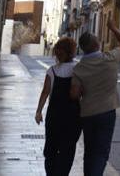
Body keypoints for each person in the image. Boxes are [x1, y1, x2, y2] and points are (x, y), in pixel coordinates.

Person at [70, 20, 120, 176]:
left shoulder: (79, 68)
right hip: (107, 111)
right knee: (101, 151)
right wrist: (113, 28)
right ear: (97, 45)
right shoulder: (110, 58)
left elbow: (74, 94)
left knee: (89, 149)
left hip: (88, 113)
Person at [35, 37, 81, 176]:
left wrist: (38, 112)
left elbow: (45, 92)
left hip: (54, 116)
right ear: (72, 52)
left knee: (51, 148)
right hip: (73, 116)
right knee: (68, 148)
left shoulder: (52, 71)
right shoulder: (77, 69)